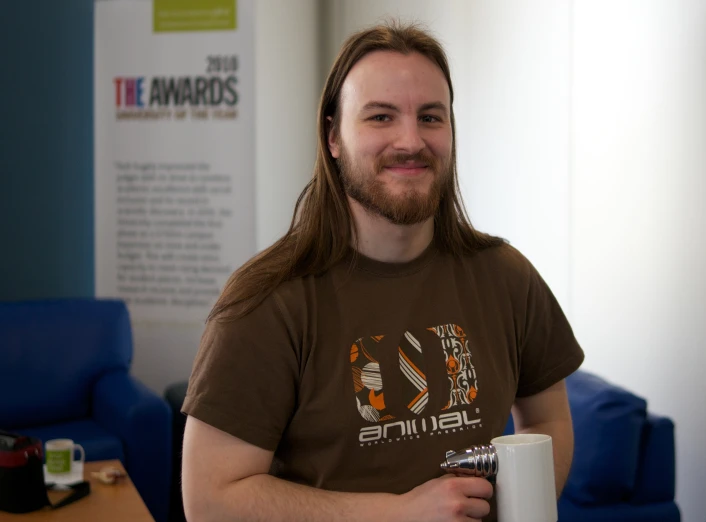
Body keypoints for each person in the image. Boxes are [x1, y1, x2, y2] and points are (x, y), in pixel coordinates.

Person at [181, 21, 584, 522]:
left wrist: (520, 507)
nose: (410, 140)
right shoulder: (267, 301)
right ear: (333, 137)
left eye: (431, 117)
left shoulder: (506, 277)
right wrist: (397, 513)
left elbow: (547, 420)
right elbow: (211, 499)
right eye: (381, 117)